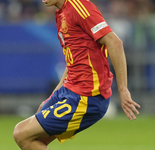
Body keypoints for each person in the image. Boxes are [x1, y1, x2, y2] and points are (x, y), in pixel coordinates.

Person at [13, 0, 141, 149]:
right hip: (70, 89)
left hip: (87, 96)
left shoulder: (80, 7)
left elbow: (115, 42)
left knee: (21, 133)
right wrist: (54, 94)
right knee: (33, 139)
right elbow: (74, 59)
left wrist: (123, 89)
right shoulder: (61, 13)